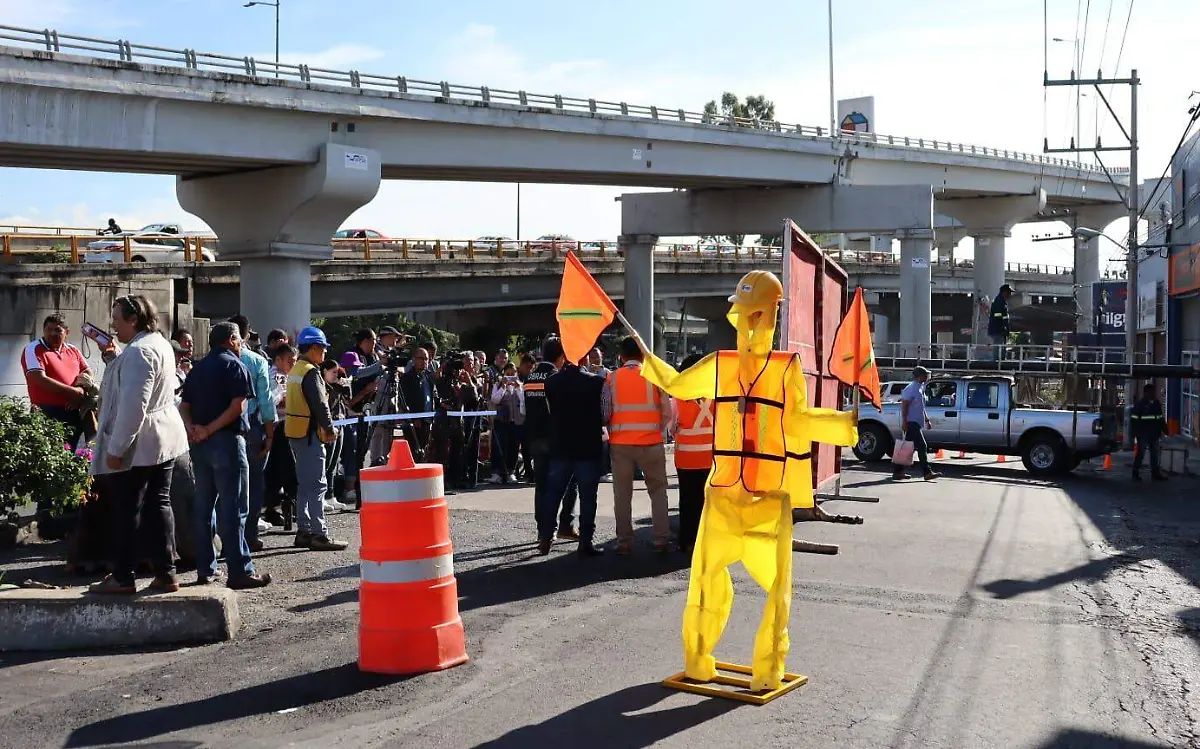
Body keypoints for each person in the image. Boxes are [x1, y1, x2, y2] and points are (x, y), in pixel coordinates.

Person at [88, 295, 190, 594]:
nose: (113, 325)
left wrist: (117, 449)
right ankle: (166, 572)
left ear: (133, 319)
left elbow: (134, 406)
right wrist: (113, 357)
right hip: (163, 437)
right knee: (159, 503)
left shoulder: (139, 352)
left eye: (117, 319)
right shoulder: (156, 343)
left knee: (127, 510)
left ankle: (123, 575)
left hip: (140, 443)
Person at [180, 321, 271, 589]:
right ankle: (240, 570)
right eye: (240, 340)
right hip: (227, 441)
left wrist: (194, 430)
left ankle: (205, 569)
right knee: (234, 508)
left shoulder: (197, 368)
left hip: (200, 444)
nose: (242, 345)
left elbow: (185, 405)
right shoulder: (235, 365)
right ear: (232, 340)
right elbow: (238, 406)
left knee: (204, 507)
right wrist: (209, 429)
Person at [603, 336, 673, 554]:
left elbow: (605, 412)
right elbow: (667, 412)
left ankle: (624, 542)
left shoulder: (611, 378)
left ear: (621, 356)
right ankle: (661, 539)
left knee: (622, 494)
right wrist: (656, 429)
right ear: (643, 355)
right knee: (658, 490)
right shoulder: (654, 377)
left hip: (621, 444)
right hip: (651, 442)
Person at [285, 326, 349, 551]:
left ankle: (303, 531)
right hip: (310, 434)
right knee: (318, 485)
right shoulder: (311, 372)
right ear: (313, 348)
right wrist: (330, 429)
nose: (324, 353)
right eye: (322, 348)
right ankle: (319, 534)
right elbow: (320, 405)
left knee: (304, 484)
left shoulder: (296, 370)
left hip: (296, 432)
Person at [540, 347, 605, 557]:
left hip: (561, 444)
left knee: (553, 494)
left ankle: (545, 537)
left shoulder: (551, 382)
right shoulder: (596, 382)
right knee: (588, 497)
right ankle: (586, 541)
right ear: (585, 358)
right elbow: (604, 413)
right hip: (587, 445)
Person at [228, 316, 276, 552]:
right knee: (254, 483)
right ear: (246, 335)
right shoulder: (257, 361)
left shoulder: (213, 360)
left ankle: (227, 537)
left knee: (227, 485)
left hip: (222, 427)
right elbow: (266, 400)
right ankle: (249, 535)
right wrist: (270, 432)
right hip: (253, 426)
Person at [524, 338, 578, 540]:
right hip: (556, 438)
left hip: (535, 437)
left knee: (542, 485)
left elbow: (523, 409)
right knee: (568, 483)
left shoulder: (530, 377)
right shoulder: (556, 377)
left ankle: (543, 530)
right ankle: (565, 525)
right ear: (561, 356)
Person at [22, 313, 90, 448]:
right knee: (47, 454)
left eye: (58, 330)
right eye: (48, 329)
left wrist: (80, 391)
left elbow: (87, 372)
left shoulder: (73, 350)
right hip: (46, 412)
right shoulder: (33, 349)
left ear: (67, 333)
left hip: (73, 410)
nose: (52, 333)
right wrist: (73, 393)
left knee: (70, 454)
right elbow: (39, 379)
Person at [670, 352, 713, 555]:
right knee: (709, 503)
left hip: (686, 459)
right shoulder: (717, 395)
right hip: (712, 459)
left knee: (688, 502)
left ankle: (687, 541)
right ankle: (707, 543)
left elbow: (671, 427)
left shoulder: (678, 399)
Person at [339, 329, 382, 500]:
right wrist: (365, 391)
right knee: (351, 451)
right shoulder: (340, 382)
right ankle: (349, 487)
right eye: (353, 368)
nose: (355, 372)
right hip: (349, 417)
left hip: (362, 413)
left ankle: (357, 484)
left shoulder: (371, 357)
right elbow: (346, 403)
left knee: (361, 450)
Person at [263, 343, 298, 528]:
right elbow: (271, 399)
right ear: (278, 360)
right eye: (289, 361)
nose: (293, 364)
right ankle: (275, 507)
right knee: (282, 469)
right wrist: (282, 391)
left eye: (294, 360)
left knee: (282, 470)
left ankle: (282, 505)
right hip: (276, 428)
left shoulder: (289, 375)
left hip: (288, 426)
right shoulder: (273, 375)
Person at [894, 366, 939, 481]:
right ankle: (927, 472)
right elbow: (904, 405)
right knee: (922, 446)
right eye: (925, 375)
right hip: (911, 422)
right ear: (919, 376)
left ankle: (898, 472)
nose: (927, 377)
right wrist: (904, 421)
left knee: (907, 448)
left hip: (917, 422)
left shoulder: (920, 387)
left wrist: (927, 420)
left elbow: (921, 407)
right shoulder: (911, 388)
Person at [321, 360, 354, 510]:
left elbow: (349, 403)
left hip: (340, 424)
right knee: (326, 463)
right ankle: (322, 496)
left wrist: (346, 388)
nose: (336, 376)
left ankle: (330, 495)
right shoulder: (323, 387)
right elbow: (328, 406)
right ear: (324, 372)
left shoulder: (338, 386)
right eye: (333, 372)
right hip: (330, 426)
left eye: (337, 373)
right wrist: (336, 390)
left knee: (333, 463)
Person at [488, 362, 524, 484]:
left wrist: (518, 387)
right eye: (507, 374)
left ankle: (511, 472)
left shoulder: (519, 385)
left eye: (512, 373)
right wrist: (503, 387)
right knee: (499, 447)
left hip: (515, 421)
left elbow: (523, 400)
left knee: (513, 447)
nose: (510, 376)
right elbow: (495, 399)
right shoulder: (498, 385)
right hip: (501, 420)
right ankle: (497, 473)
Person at [400, 347, 438, 460]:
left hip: (427, 419)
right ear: (413, 359)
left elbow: (432, 396)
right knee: (413, 451)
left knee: (424, 450)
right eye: (421, 358)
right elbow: (405, 399)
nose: (424, 361)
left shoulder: (428, 376)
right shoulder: (407, 378)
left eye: (426, 359)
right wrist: (413, 417)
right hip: (413, 421)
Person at [1131, 383, 1168, 482]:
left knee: (1154, 454)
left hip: (1154, 433)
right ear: (1146, 393)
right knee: (1141, 453)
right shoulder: (1140, 405)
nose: (1153, 394)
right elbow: (1134, 421)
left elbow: (1160, 418)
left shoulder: (1156, 404)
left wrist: (1165, 430)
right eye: (1151, 392)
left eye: (1153, 392)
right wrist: (1135, 434)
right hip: (1143, 434)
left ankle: (1155, 474)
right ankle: (1135, 473)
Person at [987, 283, 1014, 360]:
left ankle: (1001, 360)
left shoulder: (1001, 301)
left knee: (1001, 346)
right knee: (998, 345)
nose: (1010, 295)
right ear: (1004, 292)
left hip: (1000, 329)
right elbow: (999, 316)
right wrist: (1004, 327)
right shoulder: (999, 301)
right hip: (998, 329)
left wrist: (1006, 327)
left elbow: (1003, 316)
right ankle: (997, 362)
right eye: (1009, 292)